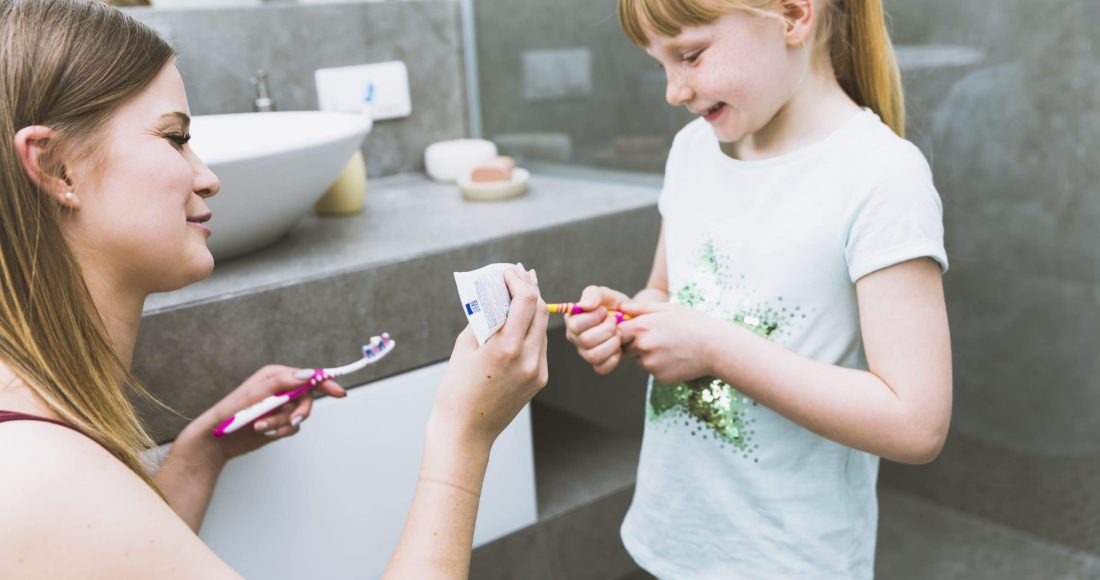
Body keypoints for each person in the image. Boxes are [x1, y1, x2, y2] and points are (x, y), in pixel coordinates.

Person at [0, 1, 548, 577]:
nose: (208, 177)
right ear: (58, 167)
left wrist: (200, 453)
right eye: (175, 138)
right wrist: (464, 436)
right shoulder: (40, 475)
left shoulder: (35, 441)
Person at [564, 0, 952, 577]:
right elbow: (666, 293)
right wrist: (629, 321)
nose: (674, 90)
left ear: (795, 16)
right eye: (661, 65)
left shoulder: (881, 177)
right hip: (669, 539)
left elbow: (915, 423)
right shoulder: (692, 151)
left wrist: (714, 347)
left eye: (690, 55)